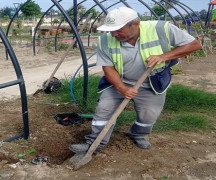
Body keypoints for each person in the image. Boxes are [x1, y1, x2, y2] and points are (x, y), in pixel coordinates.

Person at [69, 7, 202, 153]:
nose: (114, 34)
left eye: (118, 30)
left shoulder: (161, 29)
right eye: (111, 30)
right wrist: (121, 88)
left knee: (148, 115)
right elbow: (108, 68)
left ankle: (138, 134)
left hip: (151, 82)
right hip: (120, 82)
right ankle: (93, 144)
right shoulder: (105, 41)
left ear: (135, 24)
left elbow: (195, 44)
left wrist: (164, 56)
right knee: (103, 111)